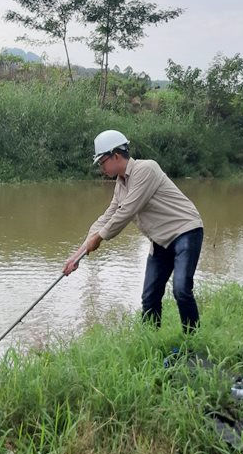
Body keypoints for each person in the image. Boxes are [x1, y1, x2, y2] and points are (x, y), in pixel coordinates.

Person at [63, 130, 205, 332]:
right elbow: (106, 217)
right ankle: (150, 343)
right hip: (161, 241)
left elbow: (127, 211)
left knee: (181, 289)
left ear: (116, 156)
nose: (101, 168)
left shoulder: (146, 169)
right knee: (150, 296)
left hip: (185, 231)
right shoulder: (121, 185)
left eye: (102, 162)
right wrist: (77, 255)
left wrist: (100, 238)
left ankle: (193, 341)